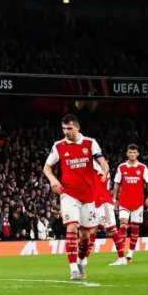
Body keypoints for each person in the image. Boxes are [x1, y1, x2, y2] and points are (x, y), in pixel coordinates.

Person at [43, 113, 107, 281]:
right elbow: (47, 168)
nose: (66, 132)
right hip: (69, 194)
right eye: (64, 128)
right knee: (71, 227)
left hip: (88, 195)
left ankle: (81, 260)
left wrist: (105, 171)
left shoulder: (90, 143)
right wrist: (53, 180)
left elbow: (102, 162)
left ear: (77, 127)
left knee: (86, 235)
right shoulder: (59, 146)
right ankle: (73, 269)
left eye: (69, 128)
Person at [112, 143, 148, 262]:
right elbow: (116, 183)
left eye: (134, 152)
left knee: (135, 228)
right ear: (127, 153)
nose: (132, 154)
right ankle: (121, 255)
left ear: (138, 154)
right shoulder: (121, 167)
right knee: (123, 225)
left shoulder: (142, 167)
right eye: (130, 152)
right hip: (124, 202)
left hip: (138, 202)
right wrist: (114, 199)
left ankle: (130, 254)